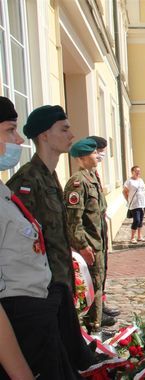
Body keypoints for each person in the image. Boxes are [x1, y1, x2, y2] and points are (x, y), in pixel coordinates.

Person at [5, 102, 103, 377]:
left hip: (59, 284)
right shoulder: (27, 181)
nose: (71, 135)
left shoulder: (51, 177)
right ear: (44, 135)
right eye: (65, 129)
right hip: (42, 292)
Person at [64, 138, 114, 334]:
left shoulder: (92, 178)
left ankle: (96, 326)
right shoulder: (77, 182)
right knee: (91, 287)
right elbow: (73, 220)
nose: (98, 155)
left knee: (98, 284)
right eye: (94, 153)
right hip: (89, 246)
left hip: (98, 243)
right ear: (83, 157)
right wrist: (82, 245)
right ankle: (92, 330)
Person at [87, 136, 120, 319]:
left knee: (102, 271)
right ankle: (95, 314)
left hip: (99, 230)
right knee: (94, 275)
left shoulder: (94, 174)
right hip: (91, 234)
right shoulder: (81, 179)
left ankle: (101, 306)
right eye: (99, 151)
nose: (101, 155)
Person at [123, 165, 145, 243]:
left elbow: (143, 191)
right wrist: (128, 200)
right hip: (134, 204)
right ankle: (132, 237)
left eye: (139, 171)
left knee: (140, 220)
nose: (138, 173)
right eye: (136, 171)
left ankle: (139, 236)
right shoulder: (129, 181)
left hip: (142, 203)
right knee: (136, 220)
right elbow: (124, 192)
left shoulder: (141, 180)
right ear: (132, 172)